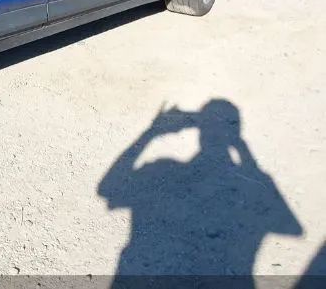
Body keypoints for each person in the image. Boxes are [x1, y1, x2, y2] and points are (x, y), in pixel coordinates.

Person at [98, 100, 302, 285]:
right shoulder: (249, 185)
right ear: (234, 134)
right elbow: (291, 227)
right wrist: (243, 150)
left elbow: (107, 188)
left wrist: (151, 133)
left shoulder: (162, 170)